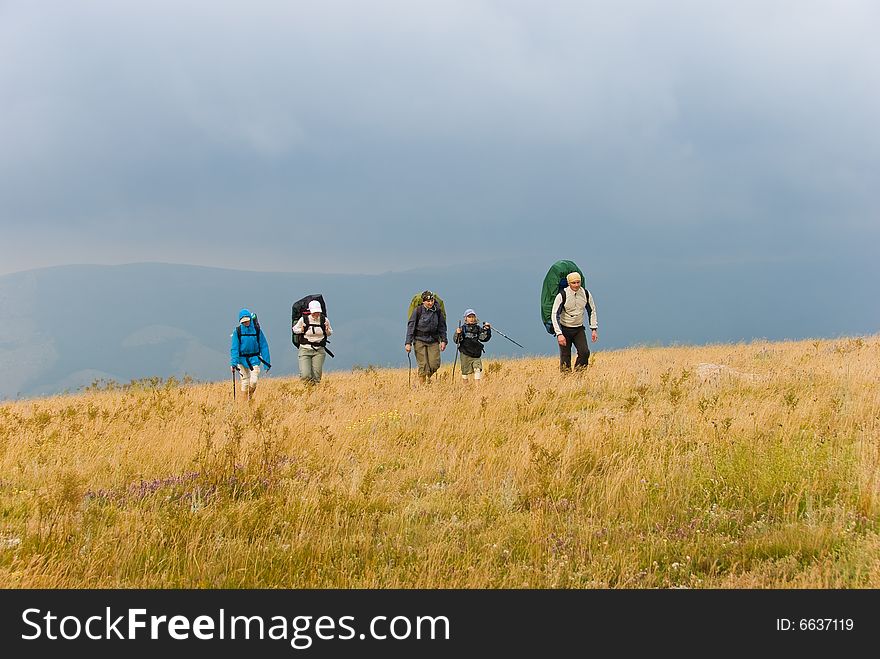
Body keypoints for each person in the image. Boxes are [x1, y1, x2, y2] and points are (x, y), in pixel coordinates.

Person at [551, 272, 598, 371]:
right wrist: (559, 334)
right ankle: (566, 380)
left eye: (578, 282)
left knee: (584, 352)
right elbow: (554, 315)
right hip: (564, 329)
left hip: (579, 329)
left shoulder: (586, 294)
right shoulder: (562, 295)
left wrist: (593, 329)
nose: (576, 285)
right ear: (569, 283)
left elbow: (592, 310)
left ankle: (578, 376)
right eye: (573, 283)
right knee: (565, 356)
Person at [404, 290, 447, 384]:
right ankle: (423, 387)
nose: (430, 303)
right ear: (423, 301)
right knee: (423, 365)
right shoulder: (418, 311)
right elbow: (411, 326)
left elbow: (442, 326)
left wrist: (444, 340)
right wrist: (408, 343)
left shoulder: (438, 311)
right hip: (419, 340)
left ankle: (427, 377)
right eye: (428, 301)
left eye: (432, 300)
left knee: (435, 364)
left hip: (433, 340)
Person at [230, 308, 271, 399]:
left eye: (247, 321)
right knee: (245, 381)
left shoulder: (257, 330)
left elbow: (264, 346)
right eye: (244, 322)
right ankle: (245, 402)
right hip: (241, 359)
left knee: (254, 381)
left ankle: (249, 395)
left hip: (254, 359)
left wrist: (266, 363)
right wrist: (233, 363)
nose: (246, 323)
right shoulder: (237, 332)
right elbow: (234, 348)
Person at [293, 299, 333, 384]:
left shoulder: (324, 320)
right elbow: (294, 329)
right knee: (305, 375)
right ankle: (306, 389)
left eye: (318, 312)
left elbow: (330, 333)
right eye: (315, 312)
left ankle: (314, 394)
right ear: (310, 311)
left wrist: (326, 330)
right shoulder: (303, 319)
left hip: (319, 350)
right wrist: (301, 330)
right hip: (305, 349)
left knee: (316, 376)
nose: (316, 314)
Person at [453, 309, 491, 383]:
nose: (471, 318)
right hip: (465, 353)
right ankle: (466, 388)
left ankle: (477, 388)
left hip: (476, 353)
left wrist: (487, 330)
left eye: (473, 317)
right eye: (469, 317)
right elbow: (456, 340)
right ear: (465, 318)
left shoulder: (478, 328)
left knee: (477, 369)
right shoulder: (462, 328)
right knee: (465, 371)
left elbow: (484, 338)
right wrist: (458, 334)